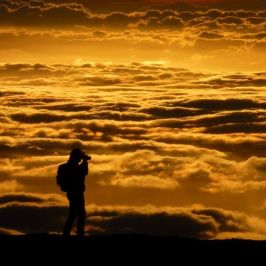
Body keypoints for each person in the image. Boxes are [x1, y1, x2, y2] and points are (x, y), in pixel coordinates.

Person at [57, 148, 90, 237]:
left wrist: (83, 161)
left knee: (74, 213)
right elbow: (84, 172)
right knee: (80, 214)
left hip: (71, 192)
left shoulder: (67, 167)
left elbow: (82, 172)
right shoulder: (74, 167)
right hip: (77, 192)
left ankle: (67, 233)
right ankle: (78, 234)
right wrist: (85, 162)